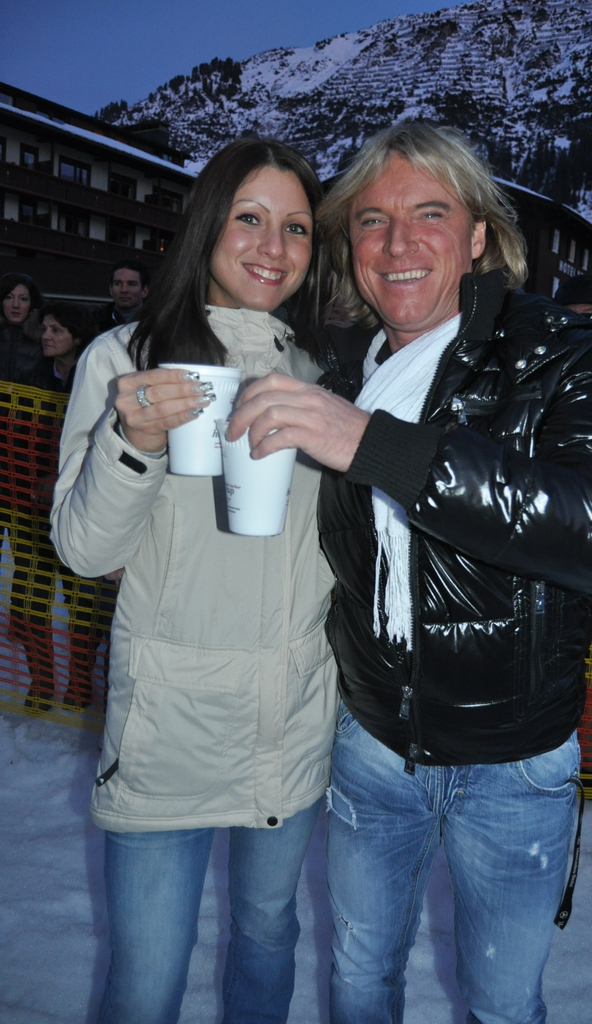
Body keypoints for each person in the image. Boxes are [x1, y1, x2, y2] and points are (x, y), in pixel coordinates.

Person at [228, 122, 592, 1024]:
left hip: (515, 762)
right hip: (372, 743)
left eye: (429, 213)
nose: (397, 243)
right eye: (371, 220)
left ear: (478, 235)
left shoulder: (566, 351)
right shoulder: (339, 367)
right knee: (359, 978)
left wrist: (379, 448)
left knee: (501, 1004)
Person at [50, 138, 336, 1024]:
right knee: (145, 984)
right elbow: (84, 550)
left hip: (290, 722)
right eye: (249, 218)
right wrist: (133, 443)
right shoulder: (124, 358)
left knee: (267, 938)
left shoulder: (323, 371)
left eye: (296, 227)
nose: (273, 247)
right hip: (168, 725)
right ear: (208, 225)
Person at [14, 302, 101, 713]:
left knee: (82, 602)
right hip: (31, 506)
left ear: (77, 336)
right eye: (45, 328)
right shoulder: (30, 377)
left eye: (57, 330)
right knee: (31, 597)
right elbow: (16, 439)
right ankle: (41, 681)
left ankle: (80, 685)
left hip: (79, 507)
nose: (47, 336)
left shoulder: (96, 381)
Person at [0, 272, 43, 383]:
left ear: (31, 303)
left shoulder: (44, 339)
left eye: (23, 299)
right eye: (9, 297)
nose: (15, 305)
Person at [97, 258, 149, 333]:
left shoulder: (158, 324)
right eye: (118, 284)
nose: (124, 290)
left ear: (144, 291)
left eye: (131, 284)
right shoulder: (94, 325)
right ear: (111, 289)